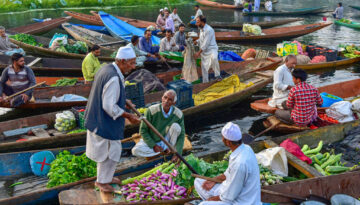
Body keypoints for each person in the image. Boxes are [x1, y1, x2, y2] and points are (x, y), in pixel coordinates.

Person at [85, 47, 140, 193]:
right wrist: (129, 116)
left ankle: (106, 178)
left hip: (97, 118)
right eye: (132, 63)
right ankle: (102, 182)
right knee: (108, 153)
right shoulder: (114, 77)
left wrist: (124, 101)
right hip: (103, 121)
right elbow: (109, 106)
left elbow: (110, 94)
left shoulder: (107, 68)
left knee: (111, 151)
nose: (134, 67)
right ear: (122, 61)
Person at [194, 122, 261, 205]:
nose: (222, 139)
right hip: (227, 190)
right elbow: (228, 173)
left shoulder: (239, 164)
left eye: (223, 138)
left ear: (228, 142)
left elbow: (230, 196)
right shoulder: (246, 148)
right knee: (198, 181)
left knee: (203, 204)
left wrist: (213, 199)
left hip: (240, 201)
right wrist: (214, 180)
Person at [132, 90, 185, 162]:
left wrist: (178, 154)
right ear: (162, 98)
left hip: (166, 141)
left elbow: (181, 135)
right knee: (135, 151)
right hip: (153, 140)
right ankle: (161, 152)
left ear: (174, 103)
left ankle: (168, 149)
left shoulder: (178, 114)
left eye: (170, 100)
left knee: (176, 127)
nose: (166, 101)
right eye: (165, 97)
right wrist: (153, 145)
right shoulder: (151, 110)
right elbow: (143, 131)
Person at [194, 15, 220, 83]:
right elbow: (202, 39)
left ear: (202, 22)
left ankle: (217, 75)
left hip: (211, 49)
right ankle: (205, 82)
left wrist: (198, 53)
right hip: (204, 51)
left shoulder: (209, 30)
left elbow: (206, 43)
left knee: (214, 58)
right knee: (204, 68)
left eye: (197, 22)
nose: (196, 24)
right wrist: (196, 41)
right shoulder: (201, 29)